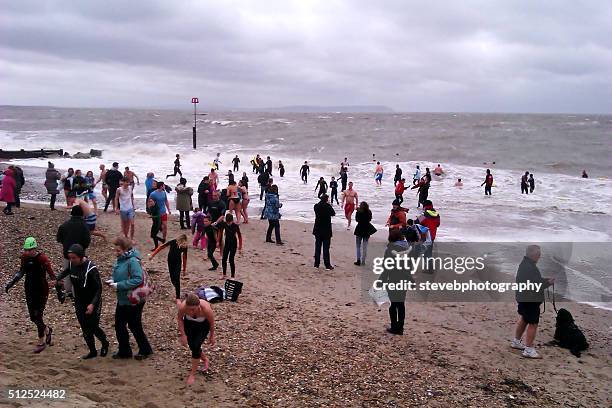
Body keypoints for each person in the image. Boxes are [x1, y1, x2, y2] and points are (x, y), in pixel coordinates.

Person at [55, 244, 109, 359]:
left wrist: (92, 304)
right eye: (70, 258)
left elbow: (99, 289)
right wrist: (57, 279)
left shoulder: (91, 268)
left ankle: (105, 343)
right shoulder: (71, 264)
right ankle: (92, 351)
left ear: (81, 256)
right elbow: (66, 271)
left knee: (93, 326)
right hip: (79, 300)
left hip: (92, 301)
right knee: (84, 327)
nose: (71, 260)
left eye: (74, 258)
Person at [5, 237, 56, 353]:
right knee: (33, 317)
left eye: (29, 250)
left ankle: (41, 341)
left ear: (35, 248)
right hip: (29, 289)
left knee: (38, 315)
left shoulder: (42, 258)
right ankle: (47, 330)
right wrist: (12, 282)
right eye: (25, 250)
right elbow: (22, 271)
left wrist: (59, 290)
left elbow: (52, 274)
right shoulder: (25, 257)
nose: (27, 252)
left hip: (42, 289)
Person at [106, 236, 153, 360]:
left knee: (134, 325)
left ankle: (145, 350)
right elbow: (122, 275)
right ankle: (125, 350)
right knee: (119, 325)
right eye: (115, 250)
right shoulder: (120, 260)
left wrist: (119, 285)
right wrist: (113, 281)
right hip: (123, 298)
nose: (116, 253)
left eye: (118, 250)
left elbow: (138, 279)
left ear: (126, 249)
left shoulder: (132, 261)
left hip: (134, 299)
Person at [512, 245, 554, 359]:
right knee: (533, 323)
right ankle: (528, 349)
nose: (539, 257)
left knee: (524, 319)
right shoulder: (530, 267)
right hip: (530, 300)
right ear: (534, 255)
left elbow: (534, 281)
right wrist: (548, 283)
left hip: (522, 297)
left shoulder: (524, 264)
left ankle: (516, 342)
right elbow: (535, 285)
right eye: (539, 255)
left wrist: (545, 280)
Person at [177, 293, 216, 385]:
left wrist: (212, 336)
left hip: (203, 325)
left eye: (193, 309)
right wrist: (183, 335)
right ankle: (205, 359)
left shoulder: (206, 309)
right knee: (192, 346)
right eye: (189, 309)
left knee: (196, 345)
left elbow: (211, 323)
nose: (191, 312)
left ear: (198, 306)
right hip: (189, 324)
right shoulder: (183, 307)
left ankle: (192, 374)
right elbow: (179, 319)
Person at [379, 229, 411, 335]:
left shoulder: (390, 249)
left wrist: (381, 280)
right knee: (401, 304)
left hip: (393, 278)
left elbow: (386, 266)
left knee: (393, 304)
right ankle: (400, 328)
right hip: (404, 279)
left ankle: (394, 327)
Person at [57, 206, 91, 296]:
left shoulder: (64, 225)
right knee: (79, 274)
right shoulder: (84, 225)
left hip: (67, 253)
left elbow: (59, 239)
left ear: (71, 213)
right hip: (79, 255)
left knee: (67, 273)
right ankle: (77, 292)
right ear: (81, 214)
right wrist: (83, 248)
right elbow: (87, 241)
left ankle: (68, 290)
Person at [150, 234, 189, 302]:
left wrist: (184, 269)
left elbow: (184, 258)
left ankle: (178, 297)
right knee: (172, 278)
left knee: (177, 278)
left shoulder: (184, 246)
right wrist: (153, 255)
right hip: (170, 261)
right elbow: (161, 247)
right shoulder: (173, 241)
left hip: (178, 262)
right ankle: (176, 288)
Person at [313, 194, 335, 270]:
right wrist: (329, 204)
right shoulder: (328, 206)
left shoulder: (316, 206)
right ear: (326, 199)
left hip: (318, 229)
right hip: (326, 230)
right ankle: (327, 264)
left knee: (317, 247)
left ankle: (316, 264)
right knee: (326, 248)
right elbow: (333, 213)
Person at [418, 200, 440, 274]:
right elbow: (438, 224)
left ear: (424, 206)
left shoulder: (425, 214)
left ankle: (428, 268)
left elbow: (418, 221)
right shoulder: (436, 214)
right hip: (432, 236)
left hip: (425, 235)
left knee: (425, 253)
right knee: (429, 252)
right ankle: (430, 268)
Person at [218, 213, 243, 279]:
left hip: (233, 244)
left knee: (231, 259)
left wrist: (240, 247)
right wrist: (218, 241)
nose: (228, 223)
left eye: (230, 222)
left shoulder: (235, 226)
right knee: (224, 259)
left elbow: (239, 236)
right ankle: (224, 274)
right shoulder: (224, 224)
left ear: (232, 220)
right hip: (227, 243)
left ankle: (232, 276)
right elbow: (220, 232)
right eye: (227, 222)